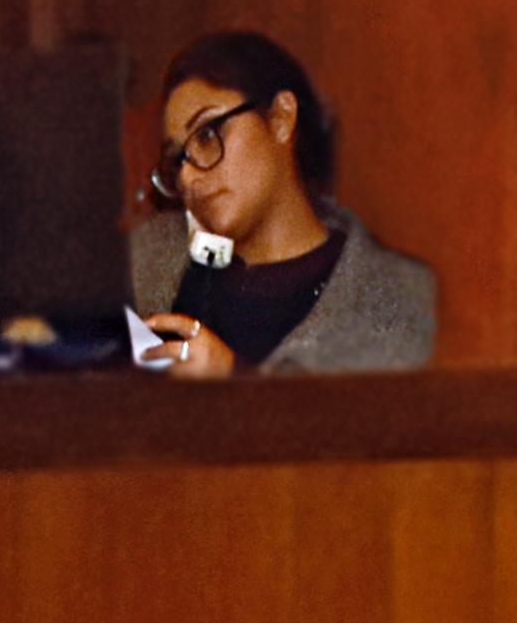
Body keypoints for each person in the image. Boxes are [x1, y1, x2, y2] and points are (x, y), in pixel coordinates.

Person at [127, 30, 437, 378]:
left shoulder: (387, 297)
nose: (187, 178)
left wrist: (234, 381)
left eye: (206, 134)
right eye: (178, 158)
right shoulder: (154, 260)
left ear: (280, 118)